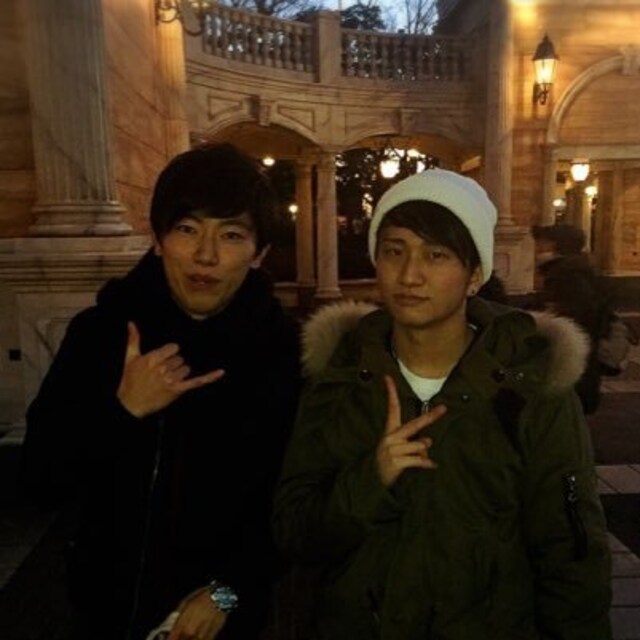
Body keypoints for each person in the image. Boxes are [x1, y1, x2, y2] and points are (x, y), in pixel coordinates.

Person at [273, 169, 612, 639]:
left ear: (474, 275)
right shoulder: (340, 380)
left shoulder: (527, 392)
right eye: (394, 251)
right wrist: (371, 480)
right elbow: (293, 532)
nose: (410, 275)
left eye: (436, 255)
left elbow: (571, 556)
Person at [21, 143, 302, 640]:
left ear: (258, 253)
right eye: (187, 229)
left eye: (231, 235)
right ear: (158, 239)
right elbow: (41, 482)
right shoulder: (102, 335)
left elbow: (291, 509)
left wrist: (227, 592)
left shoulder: (281, 353)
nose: (206, 255)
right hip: (105, 615)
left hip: (224, 621)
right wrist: (124, 411)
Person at [531, 224, 612, 414]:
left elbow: (579, 312)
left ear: (557, 245)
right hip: (577, 350)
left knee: (566, 406)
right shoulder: (571, 269)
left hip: (571, 352)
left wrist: (548, 314)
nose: (538, 248)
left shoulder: (569, 273)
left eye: (544, 243)